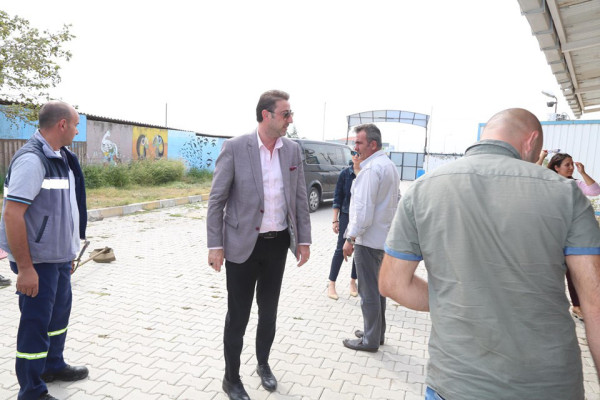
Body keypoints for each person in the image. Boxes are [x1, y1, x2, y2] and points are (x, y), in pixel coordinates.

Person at [380, 108, 600, 399]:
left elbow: (393, 284)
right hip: (548, 385)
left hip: (456, 383)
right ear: (531, 140)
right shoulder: (567, 194)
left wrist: (459, 301)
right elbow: (594, 302)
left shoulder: (422, 189)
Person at [206, 90, 312, 400]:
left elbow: (300, 197)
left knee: (269, 312)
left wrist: (304, 240)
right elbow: (216, 200)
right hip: (242, 245)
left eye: (290, 114)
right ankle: (231, 378)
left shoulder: (291, 150)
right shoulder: (236, 147)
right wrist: (215, 245)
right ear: (267, 115)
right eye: (286, 114)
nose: (290, 119)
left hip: (277, 245)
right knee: (238, 315)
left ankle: (263, 364)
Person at [0, 101, 89, 400]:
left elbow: (65, 208)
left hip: (59, 258)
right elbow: (12, 214)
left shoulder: (61, 157)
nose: (77, 131)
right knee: (36, 324)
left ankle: (53, 365)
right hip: (37, 262)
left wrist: (70, 251)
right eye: (75, 125)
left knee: (57, 318)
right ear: (62, 124)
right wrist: (25, 269)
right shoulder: (32, 160)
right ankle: (31, 390)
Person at [341, 123, 400, 352]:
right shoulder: (388, 166)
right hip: (383, 239)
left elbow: (363, 212)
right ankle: (376, 333)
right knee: (378, 290)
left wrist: (350, 238)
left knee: (368, 293)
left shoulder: (371, 170)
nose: (355, 147)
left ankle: (370, 340)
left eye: (359, 142)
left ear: (373, 144)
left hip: (368, 241)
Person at [544, 152, 600, 321]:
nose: (570, 168)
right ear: (556, 167)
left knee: (573, 270)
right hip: (551, 231)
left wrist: (583, 172)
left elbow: (595, 190)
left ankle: (577, 306)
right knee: (549, 269)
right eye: (566, 165)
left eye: (571, 164)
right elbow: (532, 174)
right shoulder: (547, 181)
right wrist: (540, 157)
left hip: (571, 233)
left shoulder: (575, 184)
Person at [327, 152, 360, 300]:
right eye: (353, 153)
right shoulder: (345, 174)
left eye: (358, 153)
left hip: (360, 217)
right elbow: (337, 197)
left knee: (358, 249)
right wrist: (335, 220)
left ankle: (353, 282)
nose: (356, 155)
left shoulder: (366, 174)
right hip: (346, 215)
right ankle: (331, 284)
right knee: (341, 249)